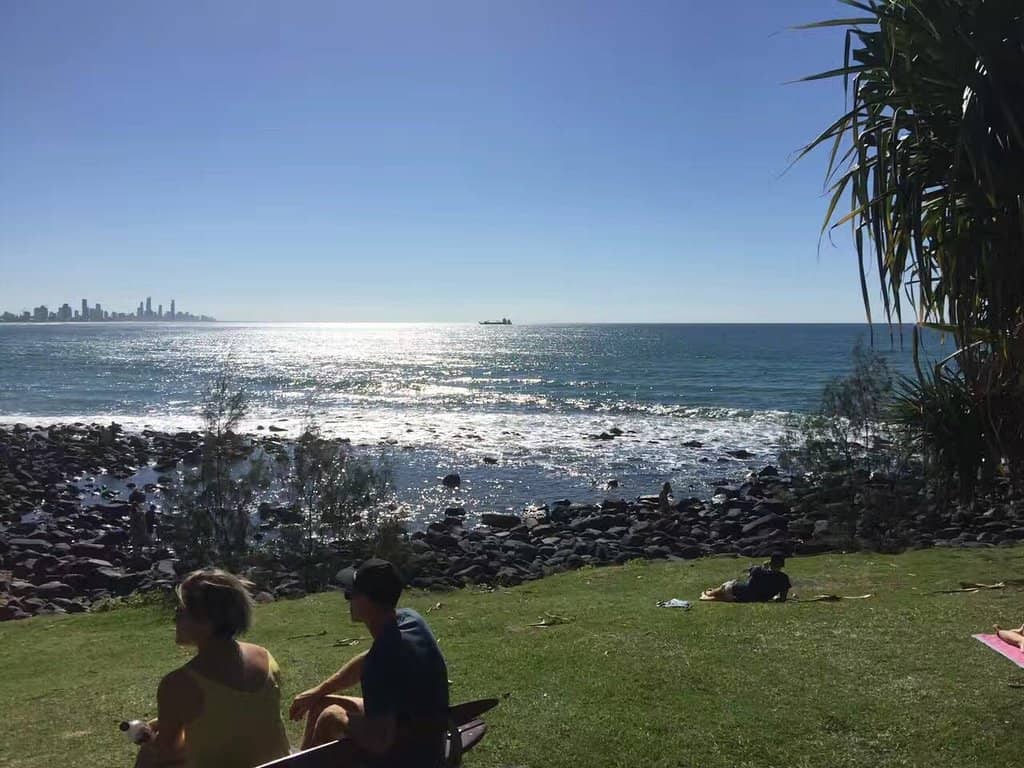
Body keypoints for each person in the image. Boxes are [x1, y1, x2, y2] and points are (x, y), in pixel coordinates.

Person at [289, 558, 450, 768]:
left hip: (412, 756)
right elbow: (367, 659)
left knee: (330, 715)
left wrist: (338, 718)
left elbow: (380, 741)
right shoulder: (410, 620)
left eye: (350, 593)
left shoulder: (379, 663)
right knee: (321, 703)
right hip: (424, 733)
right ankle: (301, 761)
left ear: (366, 601)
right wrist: (319, 691)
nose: (348, 600)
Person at [134, 569, 291, 768]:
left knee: (148, 756)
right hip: (284, 763)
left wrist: (151, 736)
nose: (175, 620)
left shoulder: (178, 683)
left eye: (181, 612)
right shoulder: (266, 657)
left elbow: (168, 752)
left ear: (206, 622)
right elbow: (236, 717)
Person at [700, 554, 791, 603]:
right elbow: (783, 598)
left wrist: (763, 566)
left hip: (735, 590)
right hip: (747, 599)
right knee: (724, 597)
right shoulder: (784, 578)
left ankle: (708, 593)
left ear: (770, 564)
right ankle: (707, 597)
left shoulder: (758, 570)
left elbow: (751, 574)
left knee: (729, 584)